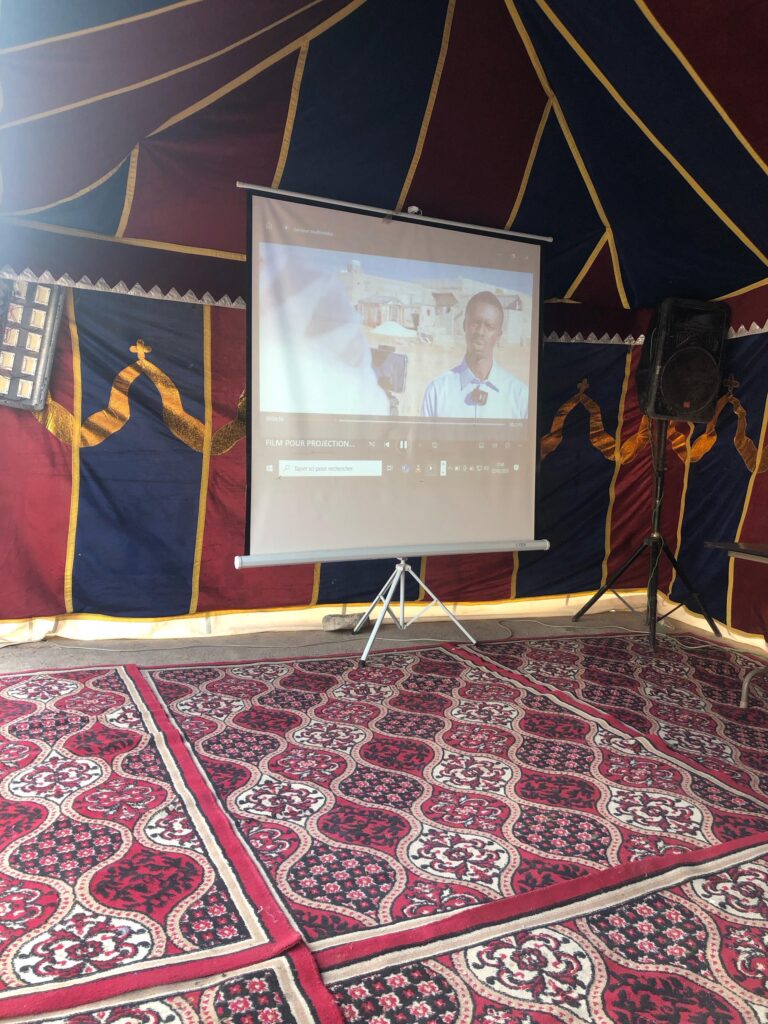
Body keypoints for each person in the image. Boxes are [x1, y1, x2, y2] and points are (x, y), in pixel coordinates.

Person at [420, 291, 528, 419]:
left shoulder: (519, 396)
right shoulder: (437, 392)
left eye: (489, 326)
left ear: (499, 335)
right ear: (464, 326)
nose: (480, 332)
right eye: (475, 323)